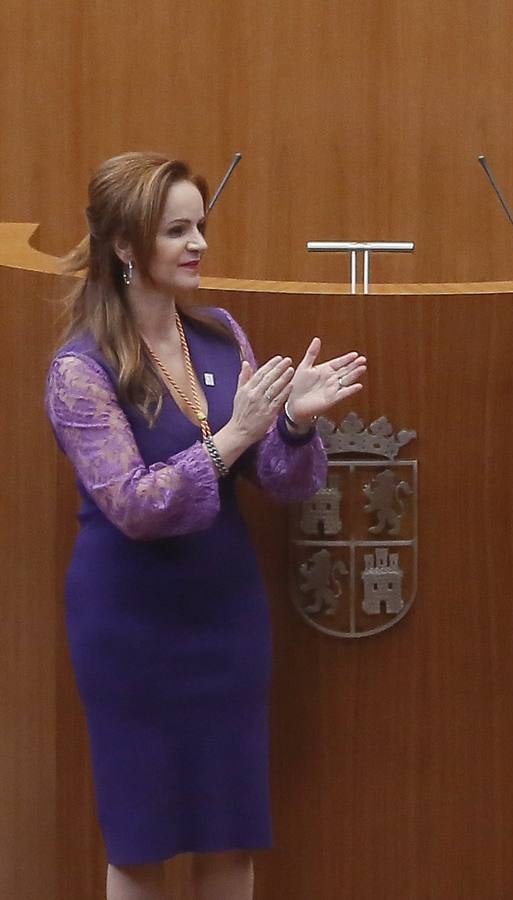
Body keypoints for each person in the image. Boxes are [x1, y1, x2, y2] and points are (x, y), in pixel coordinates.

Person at [44, 152, 367, 900]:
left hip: (225, 615)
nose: (199, 245)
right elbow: (133, 503)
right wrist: (232, 435)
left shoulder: (220, 335)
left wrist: (288, 422)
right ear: (125, 247)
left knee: (229, 829)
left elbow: (282, 483)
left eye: (201, 226)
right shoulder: (81, 370)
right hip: (130, 626)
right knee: (142, 838)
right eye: (176, 231)